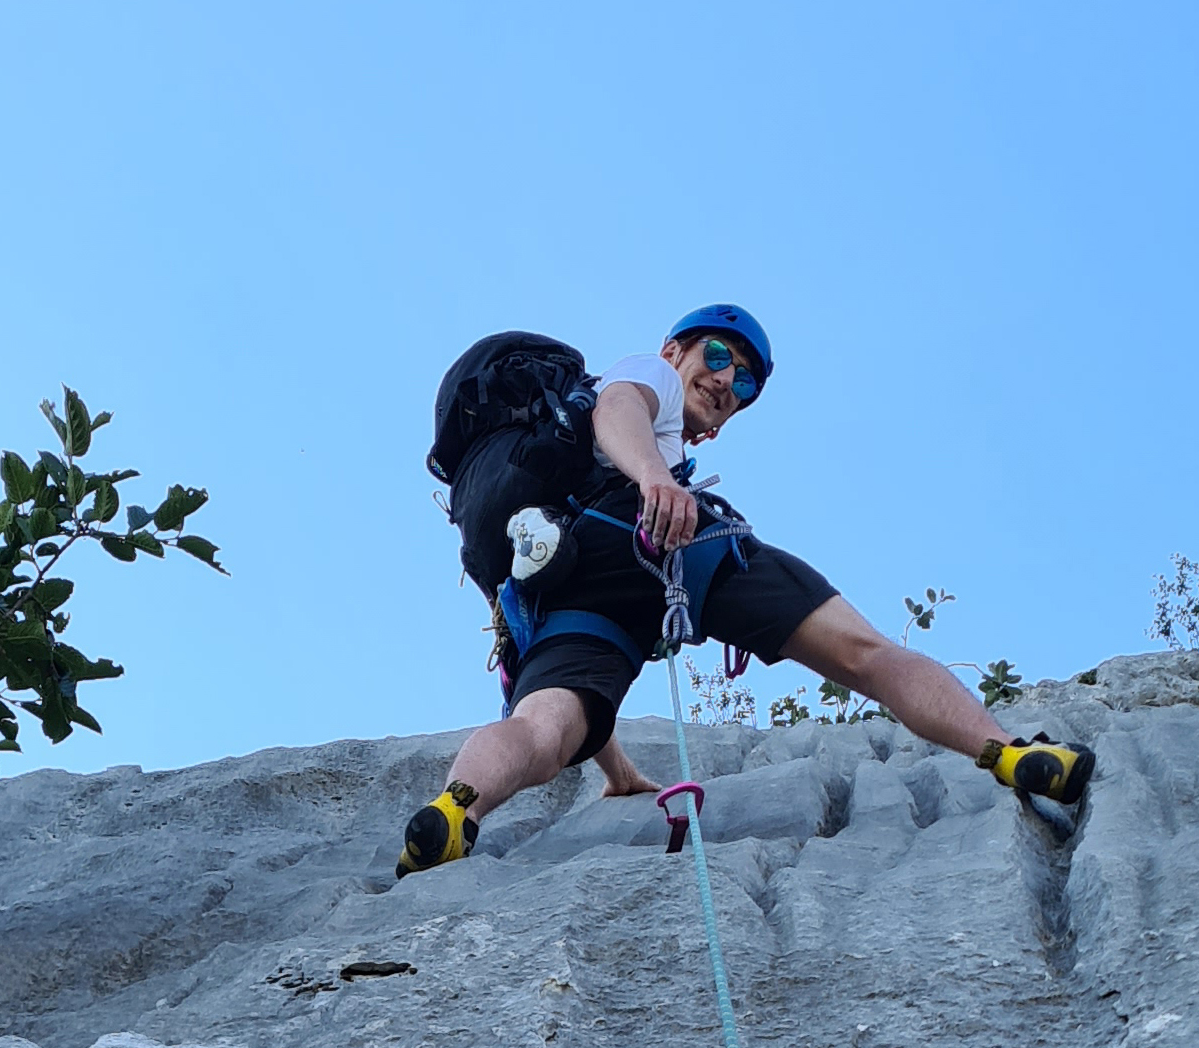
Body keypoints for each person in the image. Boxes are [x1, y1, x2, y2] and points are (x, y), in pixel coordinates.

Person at [397, 305, 1091, 876]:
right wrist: (657, 480)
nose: (730, 381)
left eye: (748, 383)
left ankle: (458, 810)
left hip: (575, 578)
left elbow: (561, 676)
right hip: (659, 536)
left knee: (540, 730)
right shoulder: (648, 376)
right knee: (862, 654)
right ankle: (1008, 752)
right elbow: (620, 408)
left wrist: (617, 769)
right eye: (721, 357)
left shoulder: (557, 463)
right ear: (675, 349)